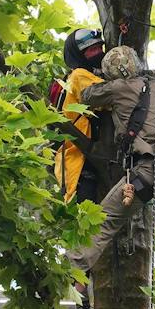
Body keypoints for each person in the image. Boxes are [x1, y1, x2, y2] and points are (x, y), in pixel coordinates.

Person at [71, 45, 155, 282]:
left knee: (103, 222)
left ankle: (64, 274)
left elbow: (87, 96)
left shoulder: (118, 87)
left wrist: (99, 80)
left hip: (146, 173)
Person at [49, 27, 106, 204]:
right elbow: (109, 97)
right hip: (80, 167)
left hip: (88, 164)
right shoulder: (79, 75)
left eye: (99, 48)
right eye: (91, 50)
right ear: (78, 55)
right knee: (91, 226)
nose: (98, 53)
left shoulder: (85, 76)